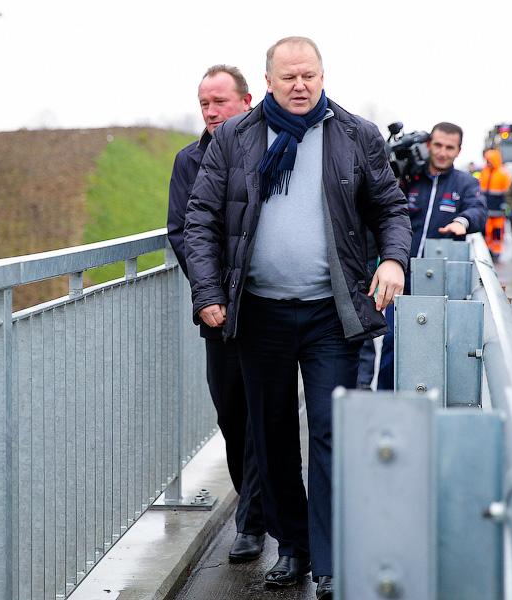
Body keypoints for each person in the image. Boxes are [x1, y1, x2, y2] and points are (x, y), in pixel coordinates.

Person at [184, 36, 411, 600]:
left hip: (332, 313)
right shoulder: (235, 138)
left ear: (322, 75)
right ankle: (293, 547)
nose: (300, 85)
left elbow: (390, 207)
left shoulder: (355, 134)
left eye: (309, 74)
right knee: (272, 434)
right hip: (259, 313)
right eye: (289, 77)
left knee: (331, 431)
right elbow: (201, 217)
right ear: (268, 82)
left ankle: (329, 560)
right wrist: (208, 291)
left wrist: (393, 259)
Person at [165, 65, 267, 563]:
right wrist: (210, 294)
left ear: (246, 102)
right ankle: (256, 503)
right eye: (204, 103)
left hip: (267, 303)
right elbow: (181, 230)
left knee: (263, 413)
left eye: (219, 102)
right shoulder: (189, 160)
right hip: (220, 310)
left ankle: (252, 520)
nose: (210, 111)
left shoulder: (269, 149)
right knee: (231, 413)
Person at [375, 122, 487, 390]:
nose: (442, 152)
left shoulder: (465, 183)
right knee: (392, 341)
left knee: (433, 347)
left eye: (450, 147)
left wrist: (462, 221)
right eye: (438, 145)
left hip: (440, 282)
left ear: (458, 150)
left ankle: (427, 403)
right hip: (402, 276)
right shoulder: (409, 177)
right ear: (428, 145)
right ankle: (385, 400)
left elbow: (478, 210)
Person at [479, 148, 511, 256]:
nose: (488, 162)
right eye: (487, 160)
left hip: (498, 208)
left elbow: (507, 192)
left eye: (489, 160)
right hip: (486, 207)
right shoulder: (484, 172)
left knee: (497, 230)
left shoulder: (502, 174)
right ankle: (488, 248)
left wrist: (506, 206)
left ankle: (496, 250)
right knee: (487, 230)